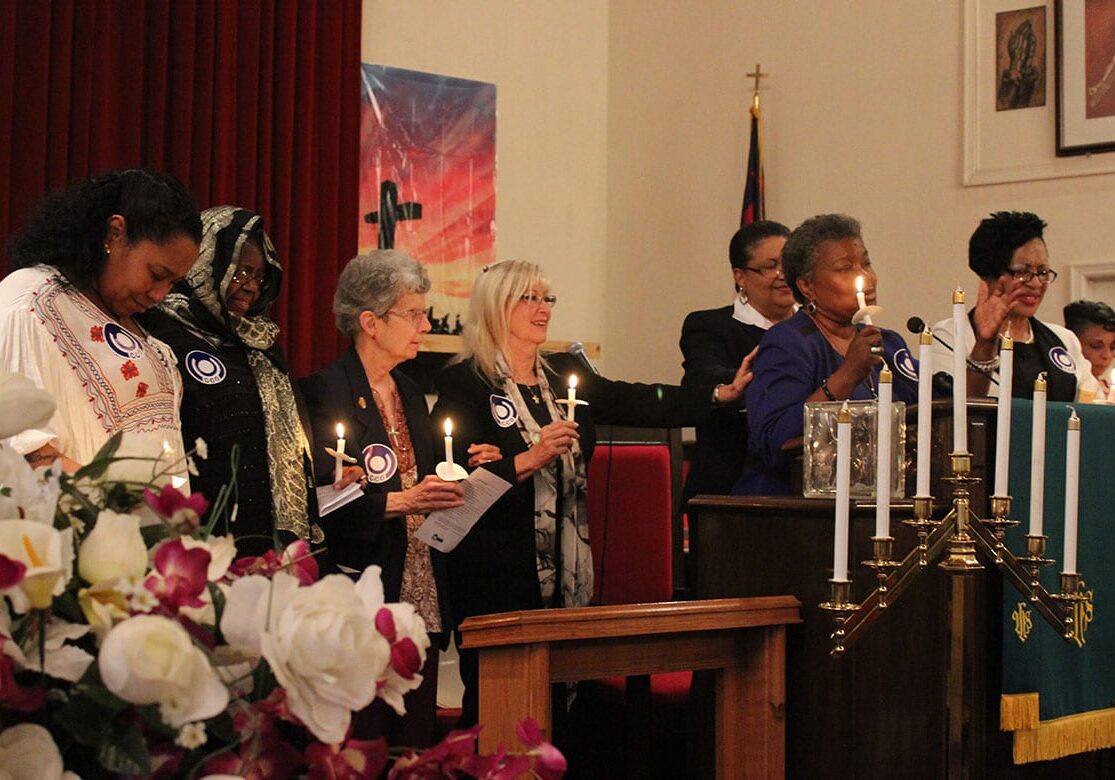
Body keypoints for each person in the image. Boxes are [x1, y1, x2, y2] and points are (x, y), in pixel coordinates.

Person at [431, 259, 753, 727]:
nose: (544, 308)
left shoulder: (564, 374)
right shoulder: (466, 382)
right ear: (497, 306)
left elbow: (640, 400)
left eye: (548, 298)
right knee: (497, 703)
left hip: (567, 562)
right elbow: (453, 471)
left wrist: (719, 395)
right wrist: (527, 457)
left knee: (564, 705)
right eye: (529, 298)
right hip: (495, 568)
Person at [299, 250, 493, 747]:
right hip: (366, 582)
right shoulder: (324, 391)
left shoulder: (407, 389)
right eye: (414, 314)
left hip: (422, 578)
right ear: (370, 322)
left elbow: (421, 474)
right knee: (365, 741)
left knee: (416, 738)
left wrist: (465, 469)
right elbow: (320, 501)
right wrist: (406, 501)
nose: (425, 325)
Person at [140, 206, 337, 554]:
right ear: (204, 263)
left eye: (260, 276)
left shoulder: (262, 344)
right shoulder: (162, 331)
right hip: (200, 527)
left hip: (266, 536)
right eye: (241, 271)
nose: (251, 287)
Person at [0, 169, 201, 473]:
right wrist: (112, 502)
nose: (160, 294)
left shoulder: (143, 327)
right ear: (115, 233)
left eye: (173, 283)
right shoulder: (30, 302)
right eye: (156, 274)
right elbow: (22, 450)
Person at [735, 214, 920, 496]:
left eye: (866, 263)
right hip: (790, 508)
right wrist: (848, 375)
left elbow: (938, 409)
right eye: (845, 268)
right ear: (807, 286)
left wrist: (983, 342)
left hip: (878, 501)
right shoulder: (788, 342)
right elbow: (773, 440)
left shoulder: (889, 343)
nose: (866, 277)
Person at [679, 220, 793, 503]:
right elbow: (703, 376)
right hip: (729, 487)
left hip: (801, 483)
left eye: (789, 264)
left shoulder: (814, 327)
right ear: (740, 276)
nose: (783, 275)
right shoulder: (709, 325)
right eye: (770, 267)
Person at [932, 212, 1098, 403]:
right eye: (1022, 272)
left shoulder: (1064, 340)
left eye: (1042, 272)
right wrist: (985, 345)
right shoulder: (951, 336)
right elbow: (957, 410)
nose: (1036, 283)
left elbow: (1092, 404)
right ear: (988, 275)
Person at [1063, 300, 1115, 398]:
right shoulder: (1061, 389)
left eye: (1112, 347)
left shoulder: (1109, 390)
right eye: (1096, 346)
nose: (1107, 355)